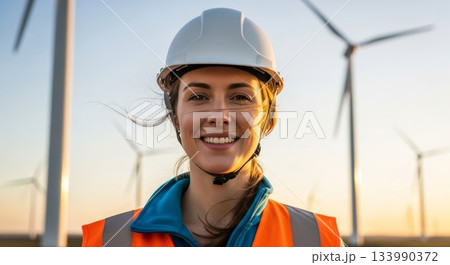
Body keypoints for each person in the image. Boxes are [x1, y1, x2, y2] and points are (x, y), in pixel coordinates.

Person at [82, 7, 342, 247]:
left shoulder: (319, 241)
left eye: (240, 97)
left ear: (268, 117)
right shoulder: (104, 244)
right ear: (174, 117)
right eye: (198, 97)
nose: (219, 116)